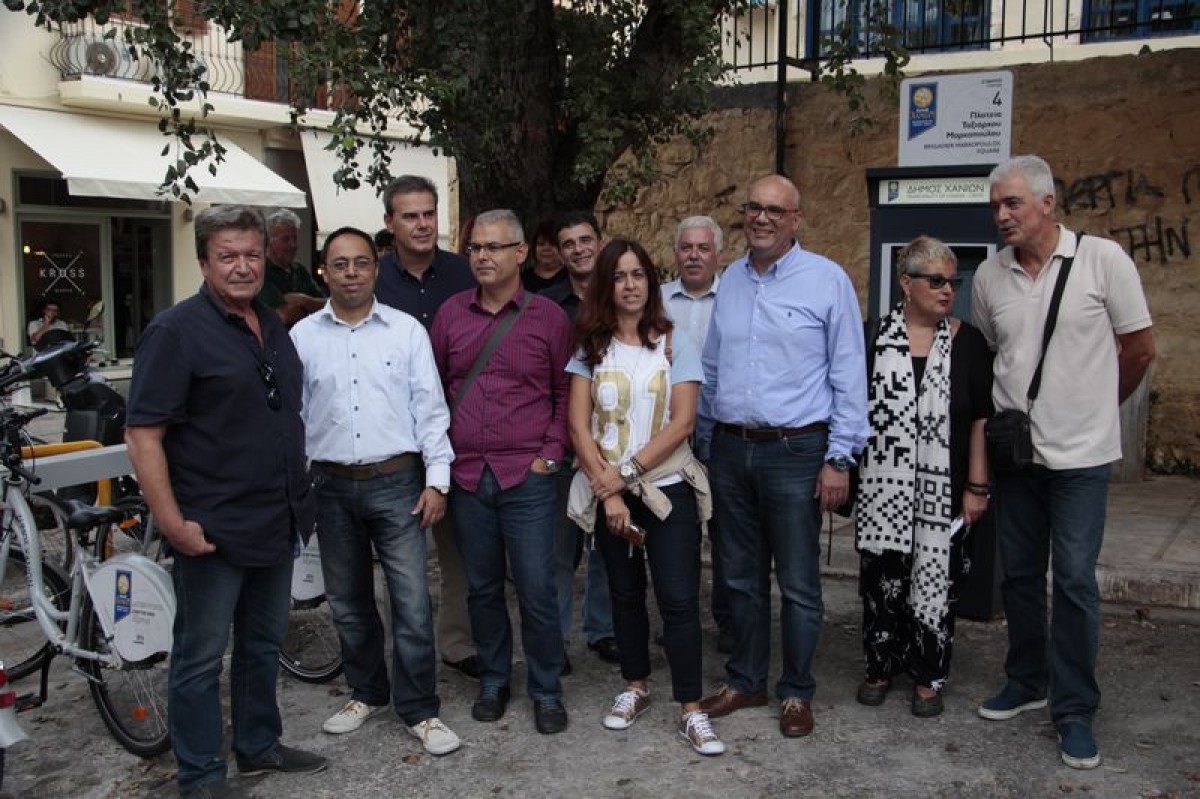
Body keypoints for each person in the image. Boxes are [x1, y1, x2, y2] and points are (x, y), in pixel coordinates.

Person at [124, 205, 326, 798]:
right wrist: (172, 523)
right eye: (228, 256)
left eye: (252, 254)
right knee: (200, 657)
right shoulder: (175, 332)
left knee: (262, 645)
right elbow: (143, 436)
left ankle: (259, 745)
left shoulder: (272, 324)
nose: (242, 267)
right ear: (204, 262)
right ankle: (201, 777)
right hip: (210, 527)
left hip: (276, 517)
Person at [971, 155, 1155, 769]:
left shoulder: (1103, 260)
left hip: (1082, 457)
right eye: (996, 206)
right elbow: (994, 355)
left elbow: (1139, 347)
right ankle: (1028, 680)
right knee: (1020, 575)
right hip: (1018, 456)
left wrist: (1099, 407)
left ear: (1047, 203)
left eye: (1012, 203)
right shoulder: (989, 276)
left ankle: (1074, 708)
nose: (1001, 215)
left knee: (1074, 580)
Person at [697, 174, 868, 739]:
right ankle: (746, 680)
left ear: (796, 219)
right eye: (753, 208)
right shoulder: (731, 280)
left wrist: (839, 459)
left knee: (798, 582)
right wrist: (706, 442)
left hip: (797, 452)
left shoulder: (827, 280)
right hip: (730, 449)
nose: (761, 218)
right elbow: (714, 365)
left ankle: (796, 691)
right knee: (739, 577)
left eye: (775, 210)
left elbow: (849, 373)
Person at [290, 226, 460, 756]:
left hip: (397, 483)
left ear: (376, 268)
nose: (351, 273)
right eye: (340, 264)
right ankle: (366, 692)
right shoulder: (303, 338)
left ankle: (420, 708)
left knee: (412, 602)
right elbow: (294, 418)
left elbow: (430, 409)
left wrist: (437, 481)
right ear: (325, 272)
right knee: (347, 602)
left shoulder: (405, 331)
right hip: (331, 486)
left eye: (361, 263)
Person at [567, 238, 725, 756]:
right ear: (606, 285)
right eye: (619, 276)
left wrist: (627, 474)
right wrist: (610, 493)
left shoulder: (674, 341)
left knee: (679, 599)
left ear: (650, 282)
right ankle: (635, 685)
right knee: (624, 594)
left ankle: (691, 709)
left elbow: (682, 423)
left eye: (638, 275)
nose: (630, 285)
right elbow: (579, 427)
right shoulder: (590, 347)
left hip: (668, 491)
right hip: (610, 493)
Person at [430, 209, 572, 735]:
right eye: (475, 248)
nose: (482, 257)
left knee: (536, 587)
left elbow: (565, 392)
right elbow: (433, 390)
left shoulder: (548, 318)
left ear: (520, 253)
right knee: (482, 588)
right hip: (468, 475)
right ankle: (493, 679)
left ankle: (546, 688)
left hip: (526, 476)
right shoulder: (450, 315)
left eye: (493, 247)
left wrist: (549, 456)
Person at [854, 236, 993, 718]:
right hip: (882, 488)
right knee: (882, 582)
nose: (947, 290)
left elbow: (980, 418)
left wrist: (977, 487)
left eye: (952, 282)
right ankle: (879, 666)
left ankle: (928, 674)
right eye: (936, 281)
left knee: (937, 581)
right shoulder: (874, 337)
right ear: (906, 283)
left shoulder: (968, 344)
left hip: (945, 491)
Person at [374, 174, 481, 680]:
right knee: (399, 555)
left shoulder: (465, 272)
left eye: (429, 214)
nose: (421, 224)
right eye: (410, 215)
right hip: (391, 434)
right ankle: (404, 653)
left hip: (456, 431)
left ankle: (457, 643)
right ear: (390, 222)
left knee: (459, 551)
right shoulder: (372, 278)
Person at [543, 210, 620, 668]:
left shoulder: (623, 297)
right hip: (564, 443)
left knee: (610, 547)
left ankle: (602, 629)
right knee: (559, 550)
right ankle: (554, 640)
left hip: (615, 444)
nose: (578, 249)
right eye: (568, 243)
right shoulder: (547, 307)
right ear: (559, 252)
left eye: (585, 239)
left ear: (599, 241)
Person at [660, 215, 731, 653]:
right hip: (671, 434)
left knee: (727, 535)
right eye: (686, 247)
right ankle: (678, 619)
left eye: (703, 248)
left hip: (723, 431)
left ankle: (728, 622)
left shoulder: (736, 298)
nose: (693, 255)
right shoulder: (657, 300)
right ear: (675, 253)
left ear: (718, 254)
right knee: (677, 534)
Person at [257, 208, 325, 327]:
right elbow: (283, 316)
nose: (293, 245)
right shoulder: (261, 272)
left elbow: (327, 306)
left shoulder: (300, 270)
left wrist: (304, 300)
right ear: (268, 241)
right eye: (285, 239)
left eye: (295, 238)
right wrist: (311, 309)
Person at [521, 218, 567, 293]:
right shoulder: (522, 279)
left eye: (552, 244)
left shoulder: (570, 276)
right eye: (541, 244)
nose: (546, 249)